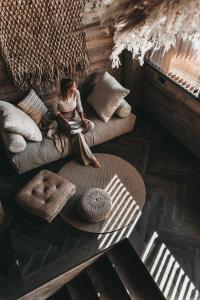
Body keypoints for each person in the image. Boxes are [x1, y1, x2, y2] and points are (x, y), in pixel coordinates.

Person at [52, 78, 101, 168]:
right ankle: (91, 158)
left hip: (75, 116)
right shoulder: (56, 98)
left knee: (91, 126)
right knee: (78, 135)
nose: (76, 87)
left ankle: (72, 134)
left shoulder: (76, 93)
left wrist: (82, 119)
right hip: (63, 120)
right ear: (68, 88)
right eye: (74, 86)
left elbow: (79, 107)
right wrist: (64, 121)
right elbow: (56, 113)